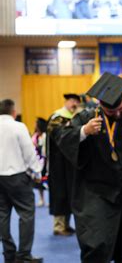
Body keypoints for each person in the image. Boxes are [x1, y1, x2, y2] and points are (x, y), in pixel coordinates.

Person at [56, 73, 122, 262]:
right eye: (111, 112)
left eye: (120, 109)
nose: (117, 114)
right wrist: (84, 131)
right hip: (96, 194)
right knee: (96, 246)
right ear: (100, 105)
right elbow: (63, 139)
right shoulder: (86, 118)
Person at [0, 99, 43, 263]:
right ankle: (24, 255)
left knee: (2, 216)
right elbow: (29, 152)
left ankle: (8, 254)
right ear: (14, 112)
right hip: (17, 177)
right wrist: (37, 171)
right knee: (26, 214)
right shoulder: (18, 126)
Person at [46, 93, 80, 236]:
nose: (74, 105)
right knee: (60, 193)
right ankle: (59, 226)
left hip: (71, 163)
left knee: (71, 193)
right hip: (58, 163)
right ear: (66, 101)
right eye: (72, 101)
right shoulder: (57, 117)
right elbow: (57, 138)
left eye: (76, 102)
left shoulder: (76, 117)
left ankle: (66, 224)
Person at [31, 117, 48, 207]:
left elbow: (46, 149)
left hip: (45, 161)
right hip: (37, 162)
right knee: (38, 182)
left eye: (36, 123)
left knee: (47, 181)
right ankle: (41, 199)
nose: (34, 125)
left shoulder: (45, 135)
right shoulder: (35, 136)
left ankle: (51, 199)